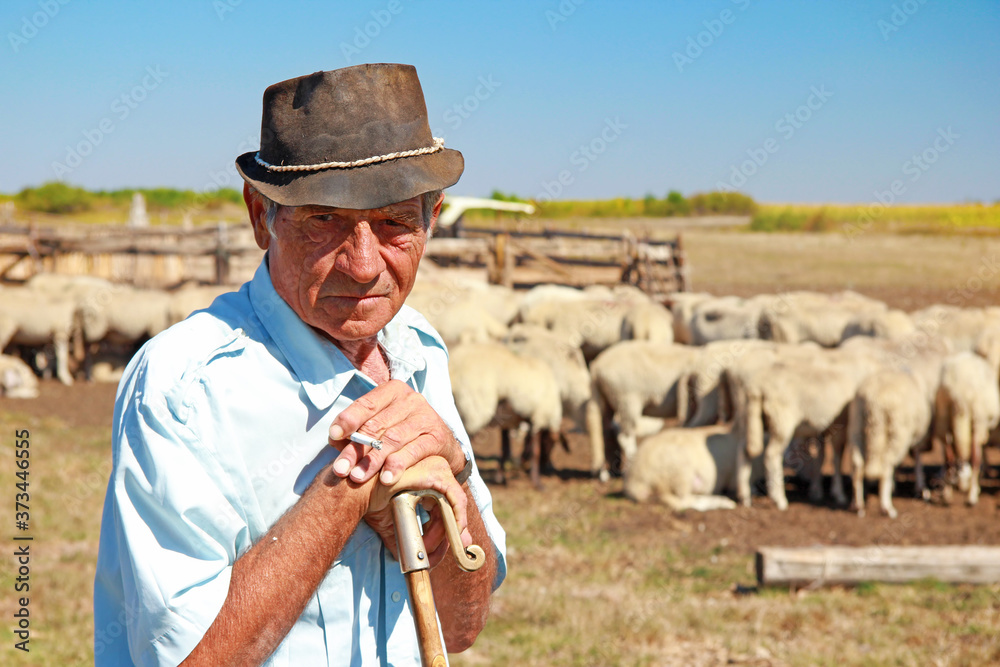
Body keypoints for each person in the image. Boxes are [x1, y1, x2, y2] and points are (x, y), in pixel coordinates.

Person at [94, 63, 507, 666]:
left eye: (395, 222)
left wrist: (454, 493)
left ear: (432, 217)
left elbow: (461, 628)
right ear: (262, 217)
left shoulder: (418, 348)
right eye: (325, 220)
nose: (364, 265)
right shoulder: (184, 389)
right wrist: (347, 492)